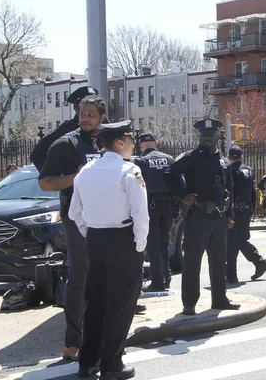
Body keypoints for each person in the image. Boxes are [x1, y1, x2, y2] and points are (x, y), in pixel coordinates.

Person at [39, 94, 146, 361]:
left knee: (108, 283)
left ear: (102, 118)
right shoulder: (66, 143)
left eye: (90, 114)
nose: (85, 118)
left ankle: (104, 339)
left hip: (109, 224)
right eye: (81, 113)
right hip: (79, 221)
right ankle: (74, 341)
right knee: (80, 278)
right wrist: (76, 178)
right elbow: (45, 183)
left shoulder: (111, 142)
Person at [69, 120, 148, 380]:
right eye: (131, 141)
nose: (133, 146)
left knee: (95, 303)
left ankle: (87, 361)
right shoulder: (129, 170)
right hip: (123, 239)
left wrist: (90, 233)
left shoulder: (85, 171)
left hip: (95, 239)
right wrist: (139, 244)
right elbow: (140, 214)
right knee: (121, 303)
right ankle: (112, 363)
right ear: (119, 142)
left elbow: (74, 214)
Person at [164, 118, 240, 316]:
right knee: (192, 261)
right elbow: (169, 175)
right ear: (199, 137)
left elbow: (229, 189)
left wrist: (230, 215)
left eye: (211, 136)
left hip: (219, 217)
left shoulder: (223, 160)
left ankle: (220, 298)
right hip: (197, 217)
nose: (208, 140)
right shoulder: (190, 158)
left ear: (218, 138)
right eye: (204, 137)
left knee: (218, 259)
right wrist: (183, 196)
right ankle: (189, 303)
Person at [133, 132, 175, 292]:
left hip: (150, 206)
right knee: (164, 242)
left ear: (141, 145)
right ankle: (167, 278)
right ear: (156, 143)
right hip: (169, 205)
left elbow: (137, 185)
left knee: (153, 244)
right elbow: (177, 182)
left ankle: (158, 281)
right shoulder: (169, 159)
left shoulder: (140, 161)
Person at [226, 145, 266, 283]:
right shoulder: (249, 170)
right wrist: (252, 207)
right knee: (240, 239)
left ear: (229, 157)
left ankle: (232, 274)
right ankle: (260, 263)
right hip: (246, 209)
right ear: (241, 156)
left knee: (232, 242)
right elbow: (253, 191)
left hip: (235, 210)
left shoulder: (230, 170)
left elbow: (229, 192)